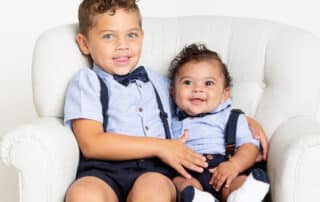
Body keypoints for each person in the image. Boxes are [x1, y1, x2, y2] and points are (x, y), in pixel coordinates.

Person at [64, 1, 268, 202]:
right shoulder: (87, 81)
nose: (122, 45)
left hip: (154, 171)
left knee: (153, 191)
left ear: (142, 37)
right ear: (84, 44)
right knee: (83, 194)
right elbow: (91, 143)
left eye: (131, 35)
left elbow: (196, 103)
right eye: (109, 36)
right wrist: (160, 146)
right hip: (102, 170)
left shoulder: (160, 83)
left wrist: (245, 120)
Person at [169, 43, 270, 202]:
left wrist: (234, 165)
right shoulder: (169, 121)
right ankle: (199, 198)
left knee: (238, 183)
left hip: (225, 168)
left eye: (208, 83)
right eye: (188, 82)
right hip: (187, 172)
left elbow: (249, 147)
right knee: (180, 184)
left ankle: (242, 197)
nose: (198, 89)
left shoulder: (233, 118)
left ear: (224, 94)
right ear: (173, 92)